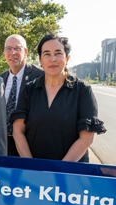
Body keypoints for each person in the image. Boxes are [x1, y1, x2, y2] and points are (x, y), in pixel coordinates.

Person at [12, 33, 106, 162]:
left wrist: (58, 171)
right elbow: (18, 131)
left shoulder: (82, 91)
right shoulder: (29, 90)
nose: (52, 59)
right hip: (34, 173)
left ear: (67, 58)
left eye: (58, 53)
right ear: (40, 60)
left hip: (70, 173)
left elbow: (86, 138)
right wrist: (31, 166)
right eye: (46, 54)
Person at [0, 34, 44, 156]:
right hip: (3, 146)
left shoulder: (41, 77)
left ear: (26, 52)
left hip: (30, 145)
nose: (12, 52)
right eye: (8, 49)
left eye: (17, 48)